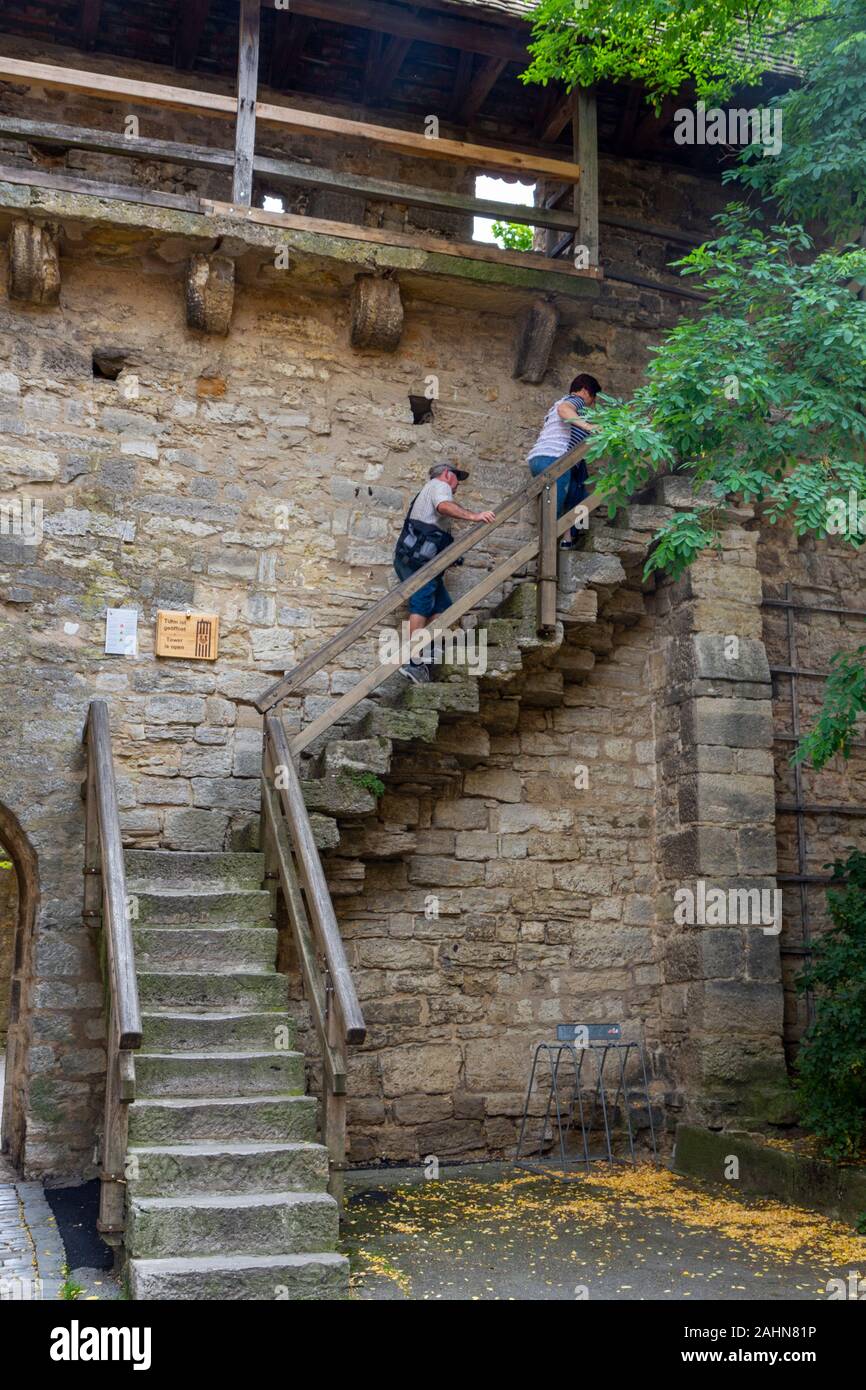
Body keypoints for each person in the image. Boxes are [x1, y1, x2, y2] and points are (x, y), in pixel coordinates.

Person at [393, 462, 496, 684]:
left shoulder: (429, 489)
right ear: (448, 475)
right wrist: (475, 516)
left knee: (442, 607)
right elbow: (444, 506)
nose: (458, 485)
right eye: (457, 479)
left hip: (412, 559)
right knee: (422, 602)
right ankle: (413, 660)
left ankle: (427, 653)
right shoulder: (441, 485)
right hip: (420, 563)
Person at [527, 373, 601, 547]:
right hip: (554, 459)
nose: (593, 402)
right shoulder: (575, 400)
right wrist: (590, 427)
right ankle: (550, 545)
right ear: (584, 391)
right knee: (554, 507)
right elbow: (564, 411)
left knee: (578, 495)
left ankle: (568, 538)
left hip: (541, 459)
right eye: (593, 397)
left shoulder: (572, 408)